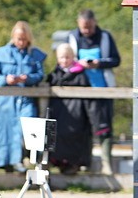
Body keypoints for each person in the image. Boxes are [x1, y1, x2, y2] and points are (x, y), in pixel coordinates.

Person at [67, 9, 121, 175]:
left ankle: (106, 163)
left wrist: (99, 63)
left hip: (102, 89)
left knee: (104, 128)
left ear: (95, 22)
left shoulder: (105, 37)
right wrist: (78, 64)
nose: (87, 31)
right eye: (84, 27)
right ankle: (83, 162)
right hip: (80, 89)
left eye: (89, 27)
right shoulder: (72, 38)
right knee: (81, 128)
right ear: (78, 23)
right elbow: (65, 60)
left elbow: (116, 60)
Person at [0, 21, 46, 172]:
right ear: (13, 37)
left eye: (24, 39)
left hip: (26, 99)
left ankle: (20, 160)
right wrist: (5, 79)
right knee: (4, 130)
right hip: (5, 100)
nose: (21, 42)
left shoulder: (34, 55)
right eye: (18, 39)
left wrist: (28, 78)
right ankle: (4, 162)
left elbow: (40, 74)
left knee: (24, 130)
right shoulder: (2, 54)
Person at [46, 43, 99, 174]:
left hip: (77, 112)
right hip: (58, 111)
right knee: (58, 138)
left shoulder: (81, 74)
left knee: (75, 137)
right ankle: (59, 163)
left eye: (67, 57)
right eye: (62, 57)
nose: (64, 60)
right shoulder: (54, 74)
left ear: (73, 57)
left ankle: (73, 165)